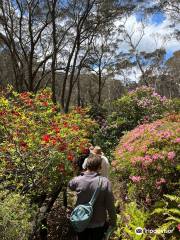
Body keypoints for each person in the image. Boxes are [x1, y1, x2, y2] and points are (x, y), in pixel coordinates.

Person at [68, 155, 116, 240]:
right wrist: (113, 221)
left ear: (86, 166)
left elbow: (70, 185)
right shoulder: (105, 182)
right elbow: (110, 205)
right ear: (99, 167)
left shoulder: (77, 180)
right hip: (99, 222)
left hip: (81, 220)